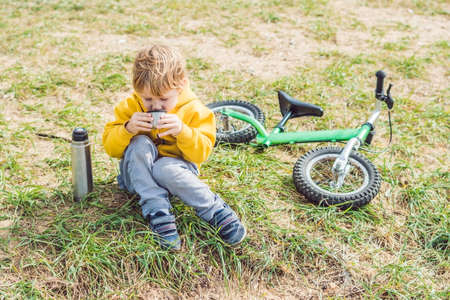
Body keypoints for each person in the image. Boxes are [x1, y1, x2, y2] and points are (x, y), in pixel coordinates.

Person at [102, 45, 246, 250]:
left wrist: (182, 131)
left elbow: (202, 152)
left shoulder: (195, 110)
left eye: (163, 99)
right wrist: (127, 129)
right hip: (136, 179)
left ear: (181, 86)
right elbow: (110, 148)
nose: (155, 106)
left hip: (177, 176)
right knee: (140, 144)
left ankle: (214, 210)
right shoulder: (130, 107)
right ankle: (158, 213)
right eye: (148, 99)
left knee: (164, 168)